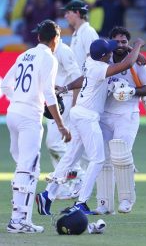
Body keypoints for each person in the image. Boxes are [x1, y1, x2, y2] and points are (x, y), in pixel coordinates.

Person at [36, 37, 145, 215]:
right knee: (98, 160)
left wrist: (65, 88)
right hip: (87, 117)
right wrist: (138, 46)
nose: (112, 52)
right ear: (104, 56)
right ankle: (81, 203)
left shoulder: (90, 62)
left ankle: (48, 194)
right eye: (109, 51)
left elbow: (84, 78)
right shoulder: (100, 68)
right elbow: (126, 64)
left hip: (79, 112)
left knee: (70, 157)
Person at [0, 19, 71, 233]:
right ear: (55, 39)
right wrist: (60, 126)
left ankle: (22, 218)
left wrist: (18, 100)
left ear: (39, 37)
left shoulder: (24, 55)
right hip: (29, 117)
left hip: (13, 113)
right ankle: (18, 221)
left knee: (24, 166)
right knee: (28, 168)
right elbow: (49, 94)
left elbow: (5, 84)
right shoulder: (49, 58)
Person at [94, 26, 146, 215]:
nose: (120, 45)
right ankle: (104, 203)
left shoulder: (138, 62)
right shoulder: (103, 59)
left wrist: (131, 92)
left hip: (127, 115)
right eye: (116, 41)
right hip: (104, 115)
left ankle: (127, 199)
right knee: (103, 159)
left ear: (128, 44)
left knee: (120, 155)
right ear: (110, 42)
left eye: (124, 42)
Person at [61, 0, 100, 196]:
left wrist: (78, 97)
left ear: (77, 12)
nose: (65, 16)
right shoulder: (77, 33)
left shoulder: (88, 32)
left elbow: (91, 66)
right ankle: (81, 180)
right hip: (78, 90)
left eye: (68, 12)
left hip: (84, 93)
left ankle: (81, 181)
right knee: (78, 139)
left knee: (80, 138)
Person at [44, 37, 82, 200]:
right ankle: (62, 185)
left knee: (53, 143)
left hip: (64, 98)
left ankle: (79, 175)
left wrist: (74, 104)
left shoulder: (64, 51)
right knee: (57, 144)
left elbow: (77, 78)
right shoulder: (45, 52)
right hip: (52, 99)